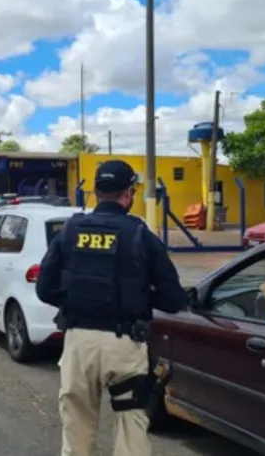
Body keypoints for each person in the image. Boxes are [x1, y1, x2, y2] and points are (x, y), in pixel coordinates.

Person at [35, 160, 187, 456]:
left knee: (77, 428)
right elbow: (173, 299)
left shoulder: (70, 230)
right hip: (125, 345)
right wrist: (138, 297)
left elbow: (44, 289)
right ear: (129, 193)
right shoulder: (141, 236)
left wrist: (77, 300)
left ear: (94, 190)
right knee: (131, 429)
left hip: (79, 343)